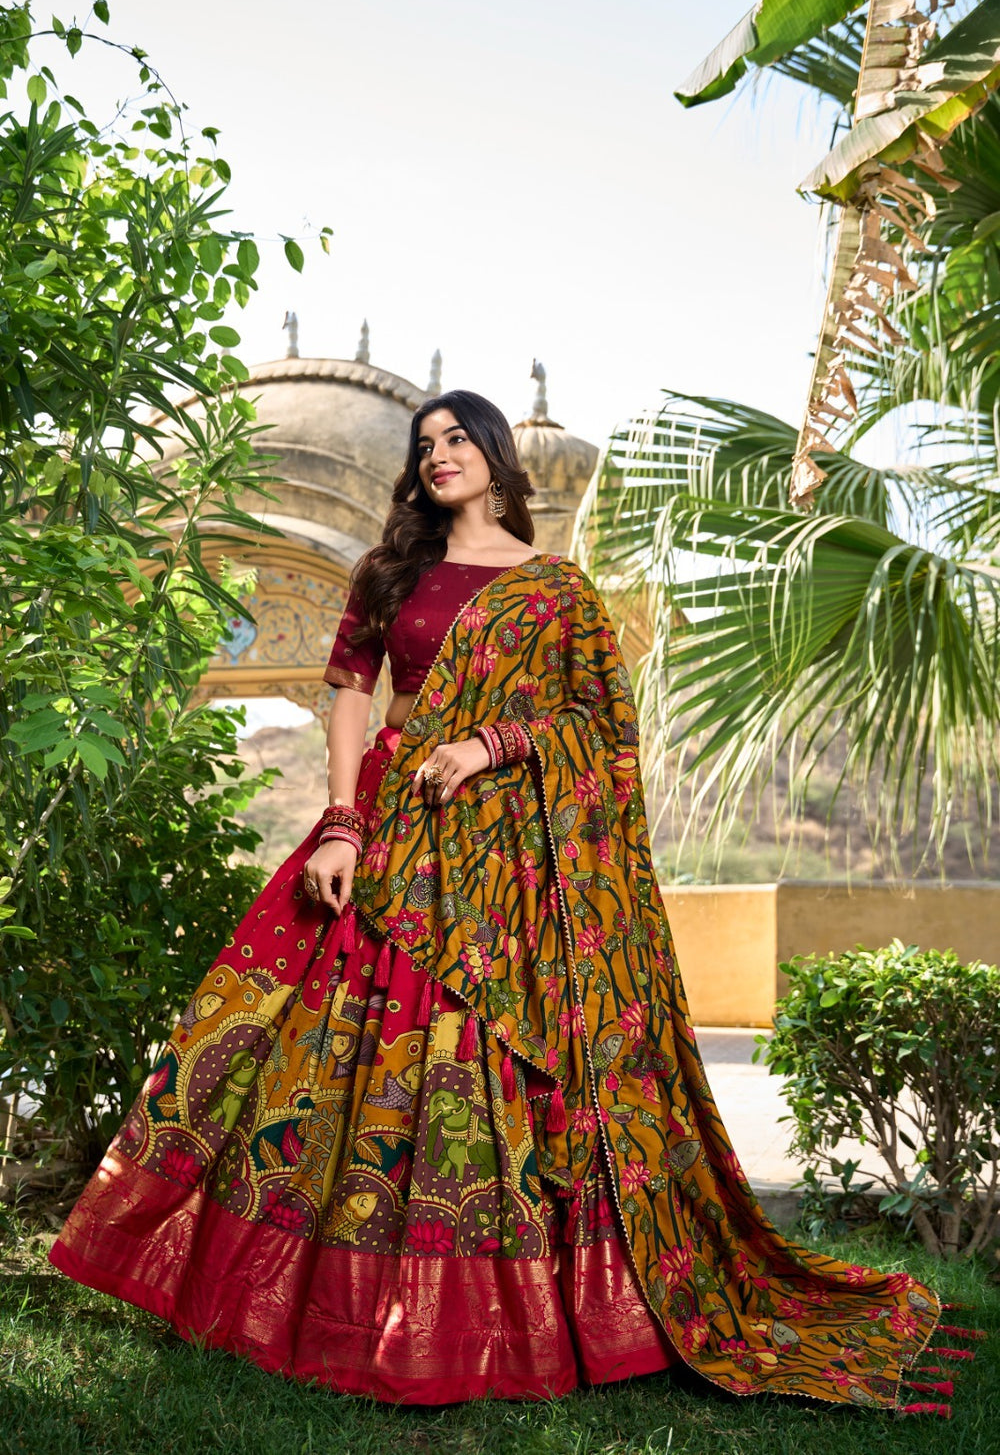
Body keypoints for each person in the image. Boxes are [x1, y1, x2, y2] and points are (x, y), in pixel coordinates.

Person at [51, 391, 952, 1412]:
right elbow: (352, 692)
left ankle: (495, 1315)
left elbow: (597, 727)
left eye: (455, 439)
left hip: (517, 871)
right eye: (422, 445)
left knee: (491, 1066)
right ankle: (303, 1297)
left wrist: (493, 743)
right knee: (298, 1050)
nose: (438, 455)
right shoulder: (392, 574)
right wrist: (343, 820)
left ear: (495, 454)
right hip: (394, 839)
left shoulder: (556, 589)